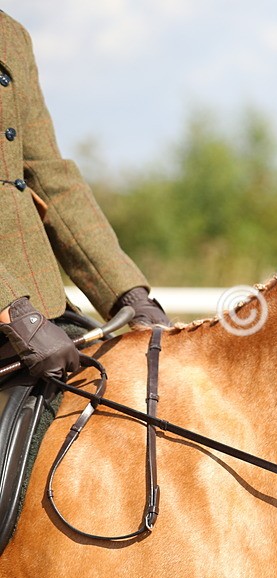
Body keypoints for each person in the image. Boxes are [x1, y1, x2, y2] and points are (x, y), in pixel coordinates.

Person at [0, 10, 168, 383]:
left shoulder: (11, 35)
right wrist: (10, 309)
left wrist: (128, 294)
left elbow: (47, 173)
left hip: (37, 300)